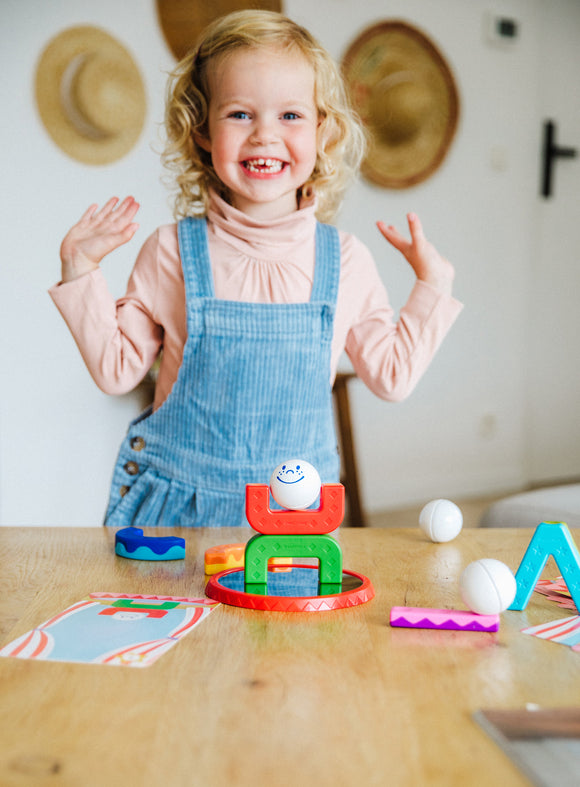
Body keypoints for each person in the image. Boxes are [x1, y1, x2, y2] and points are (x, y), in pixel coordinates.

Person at [50, 10, 462, 528]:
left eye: (290, 115)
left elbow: (392, 378)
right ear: (201, 131)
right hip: (175, 514)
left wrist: (434, 285)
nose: (264, 135)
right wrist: (80, 268)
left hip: (293, 521)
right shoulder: (171, 251)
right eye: (240, 114)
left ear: (323, 132)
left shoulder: (348, 261)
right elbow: (117, 371)